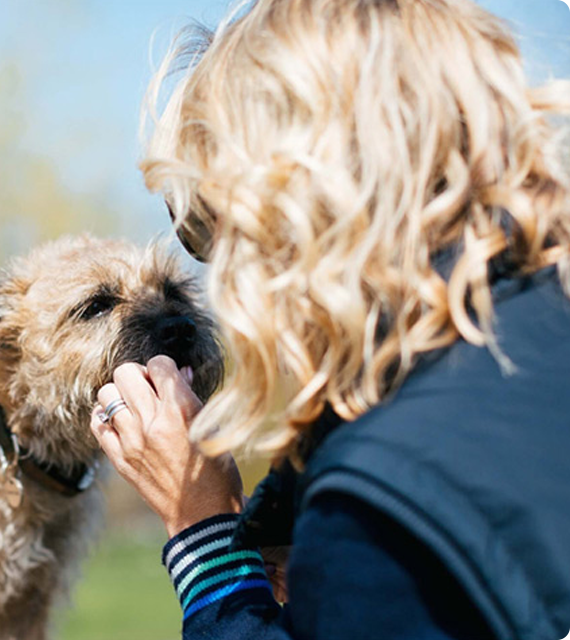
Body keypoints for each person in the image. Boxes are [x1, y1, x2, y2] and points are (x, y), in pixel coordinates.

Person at [89, 0, 570, 638]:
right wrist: (289, 517)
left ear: (299, 212)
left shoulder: (380, 511)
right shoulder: (539, 312)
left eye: (221, 232)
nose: (230, 279)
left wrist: (206, 536)